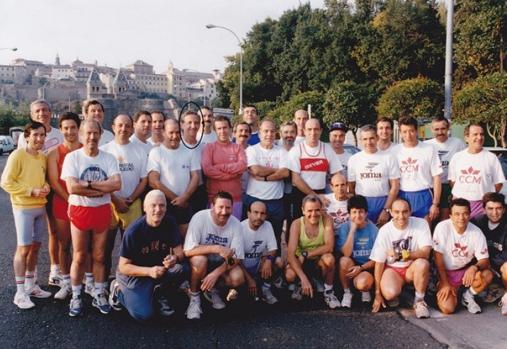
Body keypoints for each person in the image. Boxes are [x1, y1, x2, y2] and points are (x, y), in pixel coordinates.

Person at [61, 120, 121, 316]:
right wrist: (98, 186)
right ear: (81, 134)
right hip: (80, 209)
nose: (92, 137)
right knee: (79, 256)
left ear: (100, 134)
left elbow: (116, 185)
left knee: (100, 256)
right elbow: (72, 188)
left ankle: (98, 293)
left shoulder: (109, 158)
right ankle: (76, 295)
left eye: (95, 133)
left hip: (101, 209)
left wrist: (85, 185)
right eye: (88, 133)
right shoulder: (73, 157)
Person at [108, 190, 187, 321]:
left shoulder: (170, 223)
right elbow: (123, 266)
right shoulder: (134, 231)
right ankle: (118, 290)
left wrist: (175, 258)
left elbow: (180, 252)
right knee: (143, 315)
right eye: (153, 205)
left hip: (158, 270)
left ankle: (161, 292)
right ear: (144, 208)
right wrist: (149, 271)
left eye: (162, 205)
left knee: (184, 267)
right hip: (135, 274)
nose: (158, 209)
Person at [1, 121, 52, 309]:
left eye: (42, 135)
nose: (39, 139)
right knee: (23, 249)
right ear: (27, 136)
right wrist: (31, 191)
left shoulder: (42, 157)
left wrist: (46, 185)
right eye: (35, 135)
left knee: (36, 248)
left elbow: (43, 178)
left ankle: (31, 286)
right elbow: (6, 182)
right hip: (23, 207)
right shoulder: (17, 155)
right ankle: (20, 292)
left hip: (40, 207)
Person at [18, 99, 64, 286]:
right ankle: (31, 274)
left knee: (55, 231)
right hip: (35, 191)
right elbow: (23, 164)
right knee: (29, 238)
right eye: (37, 110)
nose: (42, 113)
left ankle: (55, 270)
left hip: (53, 188)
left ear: (50, 112)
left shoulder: (59, 134)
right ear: (31, 114)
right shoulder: (24, 136)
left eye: (45, 110)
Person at [183, 191, 245, 320]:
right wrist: (216, 248)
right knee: (199, 260)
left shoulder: (236, 224)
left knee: (237, 277)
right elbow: (188, 250)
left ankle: (213, 290)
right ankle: (194, 297)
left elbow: (236, 258)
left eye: (228, 208)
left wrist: (216, 273)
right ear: (212, 206)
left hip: (220, 264)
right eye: (220, 207)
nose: (224, 212)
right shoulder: (200, 217)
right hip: (200, 262)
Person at [101, 114, 148, 280]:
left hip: (133, 203)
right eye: (120, 125)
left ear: (132, 128)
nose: (123, 129)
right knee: (105, 248)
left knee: (131, 248)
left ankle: (127, 282)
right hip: (109, 202)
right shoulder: (105, 150)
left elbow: (144, 180)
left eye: (127, 126)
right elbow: (103, 181)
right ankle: (103, 282)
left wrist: (132, 198)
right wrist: (116, 199)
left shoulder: (140, 150)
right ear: (113, 127)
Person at [370, 198, 432, 319]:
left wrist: (401, 255)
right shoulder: (384, 230)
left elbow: (426, 252)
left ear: (410, 211)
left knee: (422, 263)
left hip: (412, 268)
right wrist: (377, 293)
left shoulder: (421, 224)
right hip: (393, 269)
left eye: (405, 211)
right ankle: (402, 293)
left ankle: (419, 301)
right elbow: (379, 263)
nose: (401, 216)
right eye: (397, 212)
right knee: (389, 294)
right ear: (391, 212)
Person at [433, 198, 493, 314]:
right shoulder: (442, 228)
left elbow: (484, 260)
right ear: (450, 215)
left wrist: (474, 267)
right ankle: (443, 292)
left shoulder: (476, 232)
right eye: (457, 214)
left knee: (487, 275)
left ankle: (468, 296)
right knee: (448, 308)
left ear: (470, 214)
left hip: (464, 272)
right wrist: (445, 282)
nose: (461, 218)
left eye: (465, 213)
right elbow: (437, 257)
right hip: (445, 273)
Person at [47, 113, 82, 300]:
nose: (69, 131)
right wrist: (70, 199)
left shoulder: (86, 150)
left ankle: (86, 281)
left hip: (83, 205)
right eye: (66, 128)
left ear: (78, 128)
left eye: (73, 127)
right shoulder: (54, 153)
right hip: (63, 203)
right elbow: (54, 182)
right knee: (64, 244)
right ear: (61, 130)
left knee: (85, 246)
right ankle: (66, 281)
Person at [285, 195, 340, 309]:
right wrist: (303, 278)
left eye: (317, 210)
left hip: (318, 259)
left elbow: (329, 247)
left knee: (329, 259)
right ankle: (299, 284)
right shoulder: (296, 224)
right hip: (301, 259)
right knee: (290, 275)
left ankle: (329, 291)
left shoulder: (327, 219)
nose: (313, 214)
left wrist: (306, 254)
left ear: (321, 209)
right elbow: (290, 254)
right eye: (309, 210)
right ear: (303, 210)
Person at [148, 119, 199, 237]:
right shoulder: (156, 152)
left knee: (185, 239)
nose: (175, 136)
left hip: (185, 203)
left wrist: (185, 197)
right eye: (171, 133)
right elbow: (153, 181)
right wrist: (176, 199)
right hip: (164, 204)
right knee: (164, 239)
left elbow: (195, 176)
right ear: (163, 132)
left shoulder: (190, 151)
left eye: (177, 132)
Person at [245, 119, 289, 255]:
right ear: (259, 133)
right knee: (251, 236)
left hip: (276, 201)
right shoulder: (252, 150)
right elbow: (255, 170)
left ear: (276, 133)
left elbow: (286, 172)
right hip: (254, 199)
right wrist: (277, 170)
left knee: (275, 237)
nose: (269, 134)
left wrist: (264, 177)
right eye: (265, 131)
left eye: (272, 131)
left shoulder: (282, 151)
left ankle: (274, 268)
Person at [288, 118, 343, 219]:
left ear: (321, 131)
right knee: (298, 227)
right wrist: (315, 196)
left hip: (321, 193)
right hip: (300, 195)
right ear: (304, 131)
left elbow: (337, 174)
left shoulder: (327, 149)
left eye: (316, 129)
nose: (313, 133)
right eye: (309, 129)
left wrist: (339, 192)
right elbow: (295, 179)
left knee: (319, 227)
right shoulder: (296, 150)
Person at [448, 123, 505, 218]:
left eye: (482, 134)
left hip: (481, 206)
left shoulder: (491, 157)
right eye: (475, 134)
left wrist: (486, 199)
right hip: (460, 204)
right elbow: (452, 181)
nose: (479, 137)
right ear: (466, 138)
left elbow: (498, 183)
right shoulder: (457, 157)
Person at [392, 117, 442, 223]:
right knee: (404, 232)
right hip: (402, 195)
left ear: (417, 131)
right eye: (404, 132)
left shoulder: (429, 149)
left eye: (411, 131)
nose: (408, 135)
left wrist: (435, 203)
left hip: (423, 195)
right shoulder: (395, 151)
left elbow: (437, 177)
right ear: (400, 133)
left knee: (425, 231)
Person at [348, 124, 400, 225]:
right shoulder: (354, 159)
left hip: (383, 202)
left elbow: (395, 186)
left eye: (371, 138)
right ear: (360, 140)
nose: (368, 142)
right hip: (362, 202)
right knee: (364, 236)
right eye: (365, 139)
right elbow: (351, 188)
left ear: (377, 138)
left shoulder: (389, 157)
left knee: (382, 236)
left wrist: (386, 209)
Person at [201, 116, 247, 219]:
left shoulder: (238, 148)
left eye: (225, 127)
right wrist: (231, 175)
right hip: (214, 199)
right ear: (215, 130)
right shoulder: (209, 148)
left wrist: (219, 167)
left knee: (233, 231)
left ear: (230, 129)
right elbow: (207, 170)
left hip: (235, 200)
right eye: (219, 128)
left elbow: (242, 166)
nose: (222, 131)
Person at [337, 195, 378, 308]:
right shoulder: (345, 228)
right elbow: (346, 253)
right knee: (344, 260)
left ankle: (365, 290)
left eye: (361, 212)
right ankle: (347, 292)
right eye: (354, 212)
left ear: (366, 213)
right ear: (349, 214)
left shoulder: (373, 230)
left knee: (363, 283)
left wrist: (362, 268)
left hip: (366, 266)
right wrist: (352, 231)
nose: (357, 215)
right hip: (351, 263)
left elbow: (377, 258)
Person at [471, 192, 507, 315]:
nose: (495, 212)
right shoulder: (476, 221)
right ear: (483, 209)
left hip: (499, 264)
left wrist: (490, 263)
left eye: (498, 208)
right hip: (482, 263)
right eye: (490, 208)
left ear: (504, 209)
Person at [424, 116, 466, 220]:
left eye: (443, 129)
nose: (440, 132)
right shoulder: (426, 145)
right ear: (431, 129)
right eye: (436, 129)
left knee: (445, 217)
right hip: (431, 187)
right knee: (429, 217)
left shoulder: (458, 143)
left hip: (449, 186)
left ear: (448, 128)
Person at [240, 201, 279, 304]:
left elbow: (273, 248)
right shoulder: (240, 228)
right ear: (248, 213)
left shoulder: (268, 225)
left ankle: (265, 289)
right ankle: (233, 290)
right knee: (236, 278)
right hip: (242, 268)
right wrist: (249, 279)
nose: (259, 216)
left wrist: (269, 260)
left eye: (262, 213)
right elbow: (236, 259)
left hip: (258, 265)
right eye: (255, 212)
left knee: (278, 261)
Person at [181, 111, 208, 213]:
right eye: (189, 122)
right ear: (182, 124)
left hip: (199, 193)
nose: (193, 126)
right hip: (181, 191)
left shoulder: (203, 147)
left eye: (196, 123)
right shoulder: (176, 146)